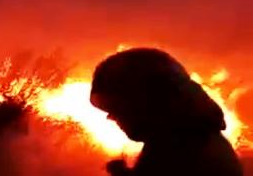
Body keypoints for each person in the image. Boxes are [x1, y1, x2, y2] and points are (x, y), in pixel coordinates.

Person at [89, 48, 242, 176]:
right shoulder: (178, 140)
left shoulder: (184, 152)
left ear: (147, 101)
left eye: (117, 107)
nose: (111, 117)